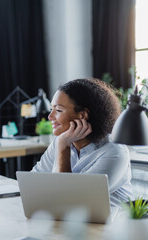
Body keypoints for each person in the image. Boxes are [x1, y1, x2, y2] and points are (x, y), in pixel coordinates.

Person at [31, 78, 134, 207]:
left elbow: (69, 200)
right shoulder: (61, 140)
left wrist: (63, 147)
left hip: (113, 225)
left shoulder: (114, 151)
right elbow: (34, 183)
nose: (50, 116)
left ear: (82, 115)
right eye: (52, 109)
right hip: (73, 222)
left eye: (58, 110)